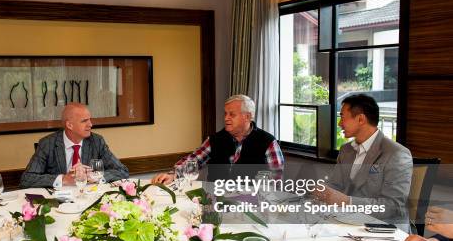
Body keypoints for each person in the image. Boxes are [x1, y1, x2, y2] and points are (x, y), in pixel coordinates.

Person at [314, 94, 412, 226]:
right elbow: (336, 185)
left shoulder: (397, 154)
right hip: (347, 222)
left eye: (342, 117)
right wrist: (324, 191)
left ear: (360, 119)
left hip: (385, 228)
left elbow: (392, 206)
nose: (339, 123)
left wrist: (347, 202)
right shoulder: (346, 150)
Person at [152, 95, 284, 184]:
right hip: (214, 203)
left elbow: (274, 181)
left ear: (247, 117)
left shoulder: (267, 142)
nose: (226, 118)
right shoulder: (215, 139)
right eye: (225, 114)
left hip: (250, 206)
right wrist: (173, 174)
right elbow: (194, 161)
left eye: (232, 114)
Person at [20, 102, 129, 188]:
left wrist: (95, 177)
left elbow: (122, 171)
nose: (90, 124)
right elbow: (27, 179)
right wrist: (64, 179)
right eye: (84, 121)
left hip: (89, 197)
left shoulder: (96, 141)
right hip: (60, 202)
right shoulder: (47, 143)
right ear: (69, 125)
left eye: (90, 120)